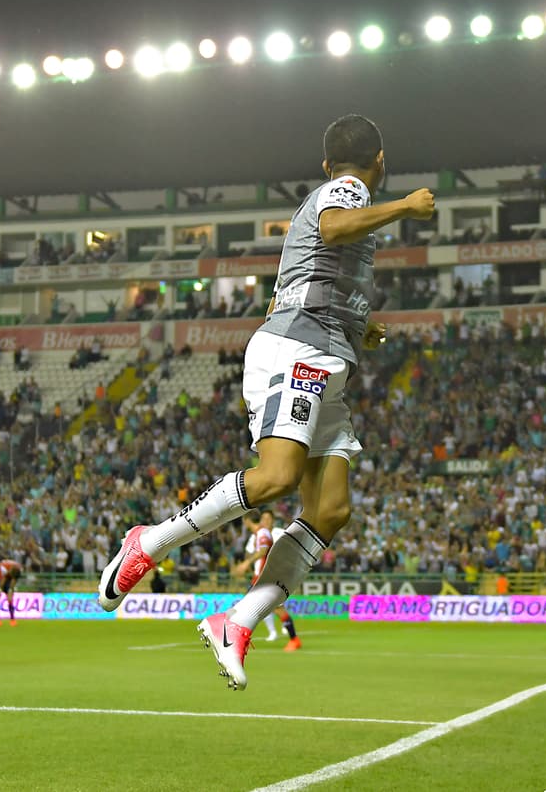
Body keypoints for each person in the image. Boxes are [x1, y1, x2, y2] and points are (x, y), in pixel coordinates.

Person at [98, 114, 435, 690]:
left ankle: (237, 621)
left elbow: (318, 270)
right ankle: (148, 542)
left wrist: (360, 327)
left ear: (328, 160)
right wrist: (404, 206)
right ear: (379, 161)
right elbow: (333, 230)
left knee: (330, 511)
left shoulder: (336, 189)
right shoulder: (346, 191)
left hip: (327, 351)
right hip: (298, 351)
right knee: (277, 477)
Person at [233, 511, 301, 650]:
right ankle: (294, 639)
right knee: (273, 608)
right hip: (263, 577)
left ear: (247, 521)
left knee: (245, 608)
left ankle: (238, 641)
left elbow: (264, 551)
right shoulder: (259, 534)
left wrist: (246, 563)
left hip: (264, 578)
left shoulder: (262, 533)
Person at [0, 557, 23, 626]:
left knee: (10, 597)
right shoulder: (1, 568)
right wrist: (0, 588)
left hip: (9, 575)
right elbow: (4, 579)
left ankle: (12, 619)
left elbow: (15, 579)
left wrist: (10, 589)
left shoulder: (19, 569)